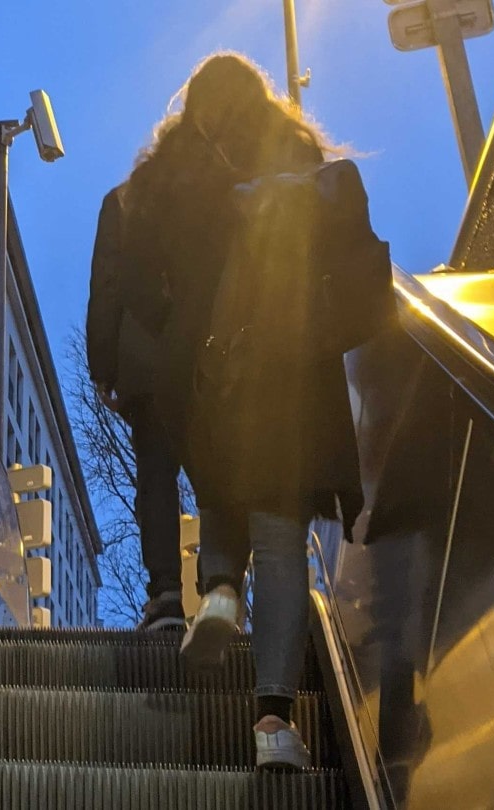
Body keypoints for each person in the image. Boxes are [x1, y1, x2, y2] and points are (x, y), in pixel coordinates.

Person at [120, 52, 370, 771]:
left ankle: (223, 587)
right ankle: (273, 726)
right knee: (283, 531)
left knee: (225, 485)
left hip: (200, 366)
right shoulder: (293, 152)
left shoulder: (166, 178)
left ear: (193, 107)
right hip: (287, 360)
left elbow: (137, 281)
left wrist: (180, 329)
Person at [86, 183, 189, 630]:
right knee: (219, 480)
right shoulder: (211, 195)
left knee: (156, 475)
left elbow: (106, 286)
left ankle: (166, 596)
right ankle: (224, 587)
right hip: (209, 358)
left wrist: (104, 367)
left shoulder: (124, 200)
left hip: (148, 364)